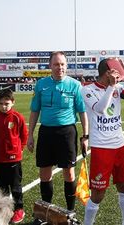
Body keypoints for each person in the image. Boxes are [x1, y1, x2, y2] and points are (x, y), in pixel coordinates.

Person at [82, 58, 124, 225]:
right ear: (107, 73)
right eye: (116, 70)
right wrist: (110, 87)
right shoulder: (87, 90)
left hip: (120, 145)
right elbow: (100, 109)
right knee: (97, 195)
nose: (119, 74)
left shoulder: (118, 88)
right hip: (101, 148)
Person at [27, 51, 89, 212]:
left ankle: (70, 212)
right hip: (46, 132)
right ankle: (46, 213)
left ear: (66, 66)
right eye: (56, 64)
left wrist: (85, 136)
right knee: (44, 174)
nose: (59, 67)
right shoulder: (41, 84)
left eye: (62, 64)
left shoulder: (75, 85)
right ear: (50, 66)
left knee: (69, 173)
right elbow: (35, 111)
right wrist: (30, 135)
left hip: (67, 133)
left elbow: (82, 112)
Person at [0, 89, 28, 224]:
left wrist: (18, 150)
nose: (4, 106)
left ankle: (19, 209)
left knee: (15, 187)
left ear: (13, 102)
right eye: (1, 103)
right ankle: (4, 209)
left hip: (13, 158)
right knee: (1, 187)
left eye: (7, 103)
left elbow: (24, 136)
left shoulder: (18, 118)